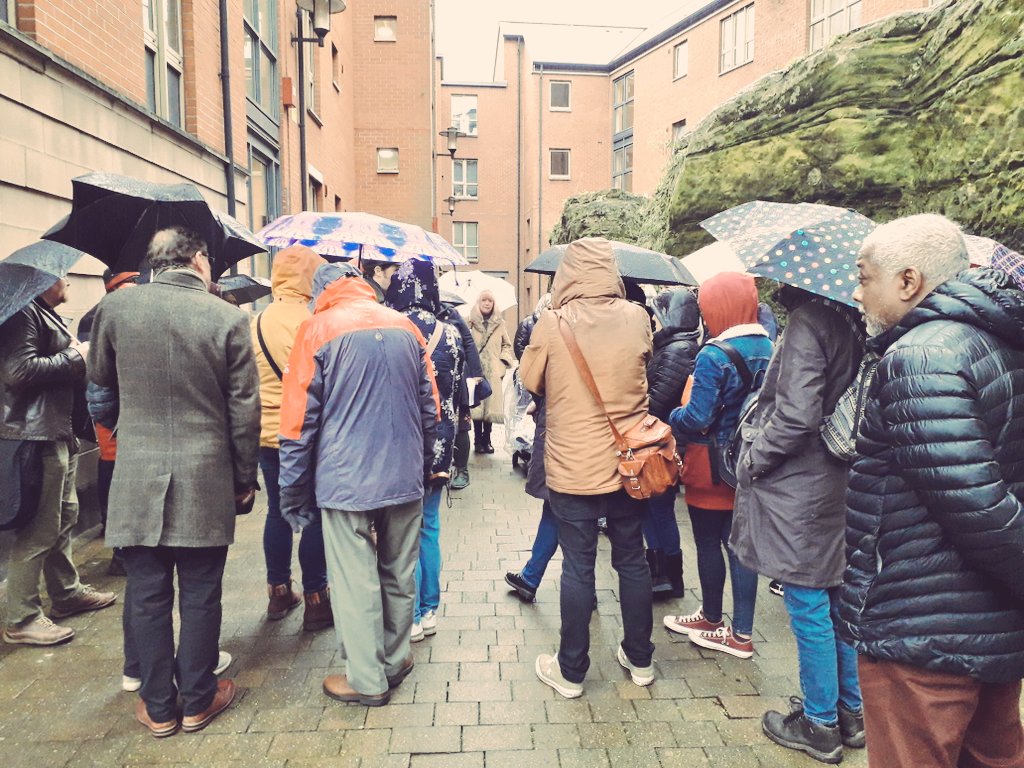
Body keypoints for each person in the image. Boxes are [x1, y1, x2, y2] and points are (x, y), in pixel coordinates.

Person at [839, 214, 1024, 766]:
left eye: (863, 275)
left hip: (922, 633)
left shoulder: (921, 357)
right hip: (991, 623)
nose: (856, 291)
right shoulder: (998, 338)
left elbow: (974, 502)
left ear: (908, 281)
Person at [89, 227, 260, 737]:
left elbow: (100, 380)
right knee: (202, 593)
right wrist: (244, 478)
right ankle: (198, 700)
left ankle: (159, 706)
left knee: (146, 594)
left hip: (136, 473)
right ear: (198, 260)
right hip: (206, 474)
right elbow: (244, 411)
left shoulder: (114, 311)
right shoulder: (228, 318)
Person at [278, 265, 439, 708]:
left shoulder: (316, 329)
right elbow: (431, 406)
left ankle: (368, 680)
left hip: (345, 477)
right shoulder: (404, 325)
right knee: (398, 571)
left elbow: (296, 422)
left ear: (321, 293)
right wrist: (423, 466)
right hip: (404, 472)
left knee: (354, 579)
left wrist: (292, 489)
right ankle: (394, 658)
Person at [729, 285, 865, 763]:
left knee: (808, 602)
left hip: (801, 484)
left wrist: (754, 459)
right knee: (834, 598)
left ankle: (820, 724)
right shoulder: (853, 317)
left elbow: (796, 415)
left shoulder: (810, 321)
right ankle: (850, 713)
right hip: (836, 481)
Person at [521, 237, 655, 698]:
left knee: (578, 567)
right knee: (632, 560)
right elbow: (645, 367)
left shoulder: (552, 324)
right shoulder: (638, 317)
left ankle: (572, 672)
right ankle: (640, 660)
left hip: (573, 468)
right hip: (628, 466)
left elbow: (528, 379)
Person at [1, 276, 116, 646]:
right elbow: (18, 371)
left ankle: (66, 593)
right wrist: (76, 356)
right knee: (39, 528)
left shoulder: (41, 312)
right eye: (60, 277)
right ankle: (22, 617)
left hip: (54, 430)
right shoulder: (23, 315)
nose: (66, 281)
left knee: (64, 517)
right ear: (40, 282)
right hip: (34, 435)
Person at [663, 272, 772, 659]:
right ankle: (740, 631)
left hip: (710, 465)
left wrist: (673, 415)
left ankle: (714, 621)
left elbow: (696, 418)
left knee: (710, 542)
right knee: (742, 547)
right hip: (750, 463)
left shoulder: (713, 355)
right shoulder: (768, 345)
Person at [251, 246, 333, 630]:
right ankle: (317, 600)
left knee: (277, 513)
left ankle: (278, 593)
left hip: (267, 435)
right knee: (313, 514)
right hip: (307, 435)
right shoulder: (315, 320)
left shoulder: (254, 321)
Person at [385, 260, 464, 642]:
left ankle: (411, 615)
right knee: (429, 527)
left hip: (405, 441)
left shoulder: (391, 327)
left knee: (405, 532)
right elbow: (457, 390)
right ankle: (430, 611)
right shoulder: (450, 333)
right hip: (442, 442)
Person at [644, 287, 701, 599]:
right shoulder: (677, 347)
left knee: (659, 508)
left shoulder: (677, 350)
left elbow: (657, 400)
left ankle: (667, 575)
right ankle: (659, 570)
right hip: (663, 440)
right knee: (654, 508)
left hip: (662, 442)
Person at [84, 269, 141, 577]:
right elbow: (99, 384)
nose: (137, 288)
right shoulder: (95, 319)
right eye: (131, 283)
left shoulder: (125, 312)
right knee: (114, 478)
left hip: (125, 416)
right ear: (115, 286)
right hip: (114, 419)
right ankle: (119, 551)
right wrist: (116, 422)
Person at [505, 293, 557, 602]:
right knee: (560, 511)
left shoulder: (552, 327)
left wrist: (540, 400)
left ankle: (581, 587)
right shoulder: (614, 327)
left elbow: (532, 376)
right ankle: (531, 575)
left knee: (565, 512)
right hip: (595, 443)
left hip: (562, 435)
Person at [439, 298, 487, 491]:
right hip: (431, 378)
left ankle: (462, 470)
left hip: (457, 378)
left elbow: (467, 341)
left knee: (461, 425)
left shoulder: (450, 313)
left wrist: (477, 374)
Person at [469, 289, 513, 453]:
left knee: (491, 407)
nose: (487, 303)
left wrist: (502, 363)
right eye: (484, 300)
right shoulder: (470, 322)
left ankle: (487, 440)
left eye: (490, 301)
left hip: (493, 372)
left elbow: (506, 345)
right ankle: (477, 441)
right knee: (477, 406)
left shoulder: (500, 323)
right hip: (476, 371)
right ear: (478, 303)